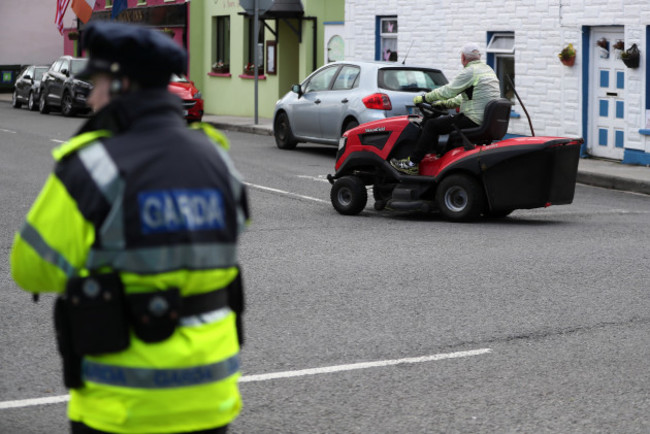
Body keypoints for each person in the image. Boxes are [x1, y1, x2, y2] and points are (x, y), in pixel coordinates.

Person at [10, 21, 249, 434]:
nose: (92, 98)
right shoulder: (217, 159)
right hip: (212, 399)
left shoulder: (92, 165)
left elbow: (29, 268)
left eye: (98, 85)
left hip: (124, 406)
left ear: (122, 89)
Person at [390, 43, 501, 175]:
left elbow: (448, 91)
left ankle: (412, 163)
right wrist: (444, 104)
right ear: (479, 57)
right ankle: (437, 160)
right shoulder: (487, 70)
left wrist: (425, 98)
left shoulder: (470, 72)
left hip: (473, 119)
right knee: (443, 126)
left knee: (431, 125)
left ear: (463, 58)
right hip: (484, 119)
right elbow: (466, 99)